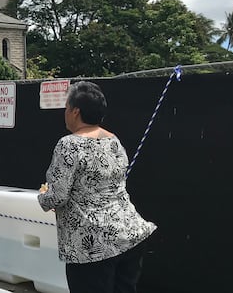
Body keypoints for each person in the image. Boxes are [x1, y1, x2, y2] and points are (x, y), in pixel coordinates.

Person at [37, 81, 156, 293]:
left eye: (66, 108)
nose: (65, 113)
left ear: (75, 112)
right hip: (130, 234)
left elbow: (58, 196)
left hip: (92, 245)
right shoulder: (114, 141)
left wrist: (44, 195)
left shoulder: (69, 144)